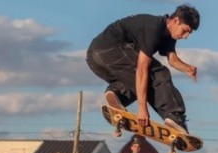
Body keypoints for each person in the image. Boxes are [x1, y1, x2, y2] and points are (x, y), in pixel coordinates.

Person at [86, 4, 200, 134]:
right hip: (109, 49)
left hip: (94, 59)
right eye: (185, 31)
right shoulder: (154, 28)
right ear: (176, 21)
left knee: (140, 86)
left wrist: (187, 68)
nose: (185, 37)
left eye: (189, 34)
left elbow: (172, 59)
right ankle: (174, 115)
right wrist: (142, 109)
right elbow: (141, 69)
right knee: (159, 74)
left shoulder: (168, 35)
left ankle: (117, 94)